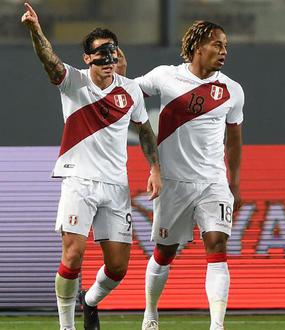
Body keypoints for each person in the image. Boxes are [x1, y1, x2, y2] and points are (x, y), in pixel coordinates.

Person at [20, 3, 161, 330]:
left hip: (116, 186)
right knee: (73, 254)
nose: (110, 58)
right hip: (78, 180)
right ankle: (67, 326)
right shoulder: (75, 83)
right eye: (103, 52)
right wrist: (35, 29)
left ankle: (90, 300)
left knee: (118, 268)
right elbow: (50, 63)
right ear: (88, 57)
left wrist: (155, 169)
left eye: (114, 51)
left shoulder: (130, 92)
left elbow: (145, 131)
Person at [125, 21, 244, 330]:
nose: (223, 52)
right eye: (217, 44)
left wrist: (234, 183)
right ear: (197, 46)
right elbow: (126, 95)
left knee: (217, 244)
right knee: (164, 253)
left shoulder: (232, 90)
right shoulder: (165, 76)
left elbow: (234, 139)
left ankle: (217, 325)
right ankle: (150, 313)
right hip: (173, 183)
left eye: (226, 46)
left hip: (213, 182)